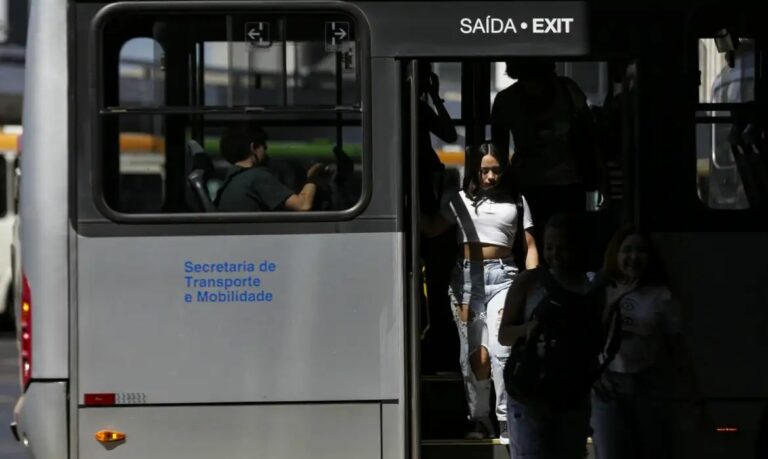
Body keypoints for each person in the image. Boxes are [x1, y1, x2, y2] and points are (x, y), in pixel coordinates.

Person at [424, 142, 538, 443]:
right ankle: (480, 418)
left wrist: (532, 283)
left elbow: (529, 246)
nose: (490, 177)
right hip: (465, 282)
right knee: (475, 355)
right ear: (474, 169)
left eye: (496, 170)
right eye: (484, 170)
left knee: (503, 351)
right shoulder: (458, 199)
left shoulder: (517, 200)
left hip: (505, 278)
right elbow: (433, 229)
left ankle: (504, 419)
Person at [498, 213, 613, 459]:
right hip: (531, 393)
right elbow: (504, 335)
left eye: (563, 247)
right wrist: (527, 330)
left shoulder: (591, 286)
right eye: (549, 247)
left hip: (572, 393)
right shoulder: (529, 282)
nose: (555, 255)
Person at [590, 226, 700, 459]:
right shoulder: (599, 288)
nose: (633, 257)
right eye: (627, 250)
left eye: (641, 251)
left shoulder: (661, 295)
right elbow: (589, 336)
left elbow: (677, 347)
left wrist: (693, 394)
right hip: (608, 386)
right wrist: (614, 300)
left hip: (647, 385)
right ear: (616, 254)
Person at [491, 60, 604, 250]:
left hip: (531, 183)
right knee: (570, 246)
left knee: (531, 247)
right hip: (565, 182)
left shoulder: (506, 99)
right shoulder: (567, 90)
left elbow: (499, 151)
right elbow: (590, 134)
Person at [416, 62, 461, 375]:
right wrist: (435, 97)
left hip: (422, 197)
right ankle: (437, 343)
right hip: (423, 198)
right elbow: (448, 133)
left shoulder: (415, 107)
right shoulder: (417, 107)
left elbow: (447, 133)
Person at [215, 124, 324, 212]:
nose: (266, 154)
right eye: (264, 147)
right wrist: (312, 178)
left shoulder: (230, 180)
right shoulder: (257, 176)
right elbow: (303, 206)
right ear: (253, 147)